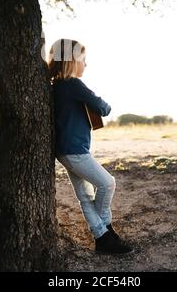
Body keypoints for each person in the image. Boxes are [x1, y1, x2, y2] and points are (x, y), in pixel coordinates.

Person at [47, 38, 133, 255]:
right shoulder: (73, 84)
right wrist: (103, 103)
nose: (86, 64)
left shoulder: (55, 86)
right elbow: (103, 108)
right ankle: (105, 232)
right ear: (72, 60)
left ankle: (103, 237)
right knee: (108, 183)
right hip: (75, 150)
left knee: (85, 196)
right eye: (83, 60)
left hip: (63, 150)